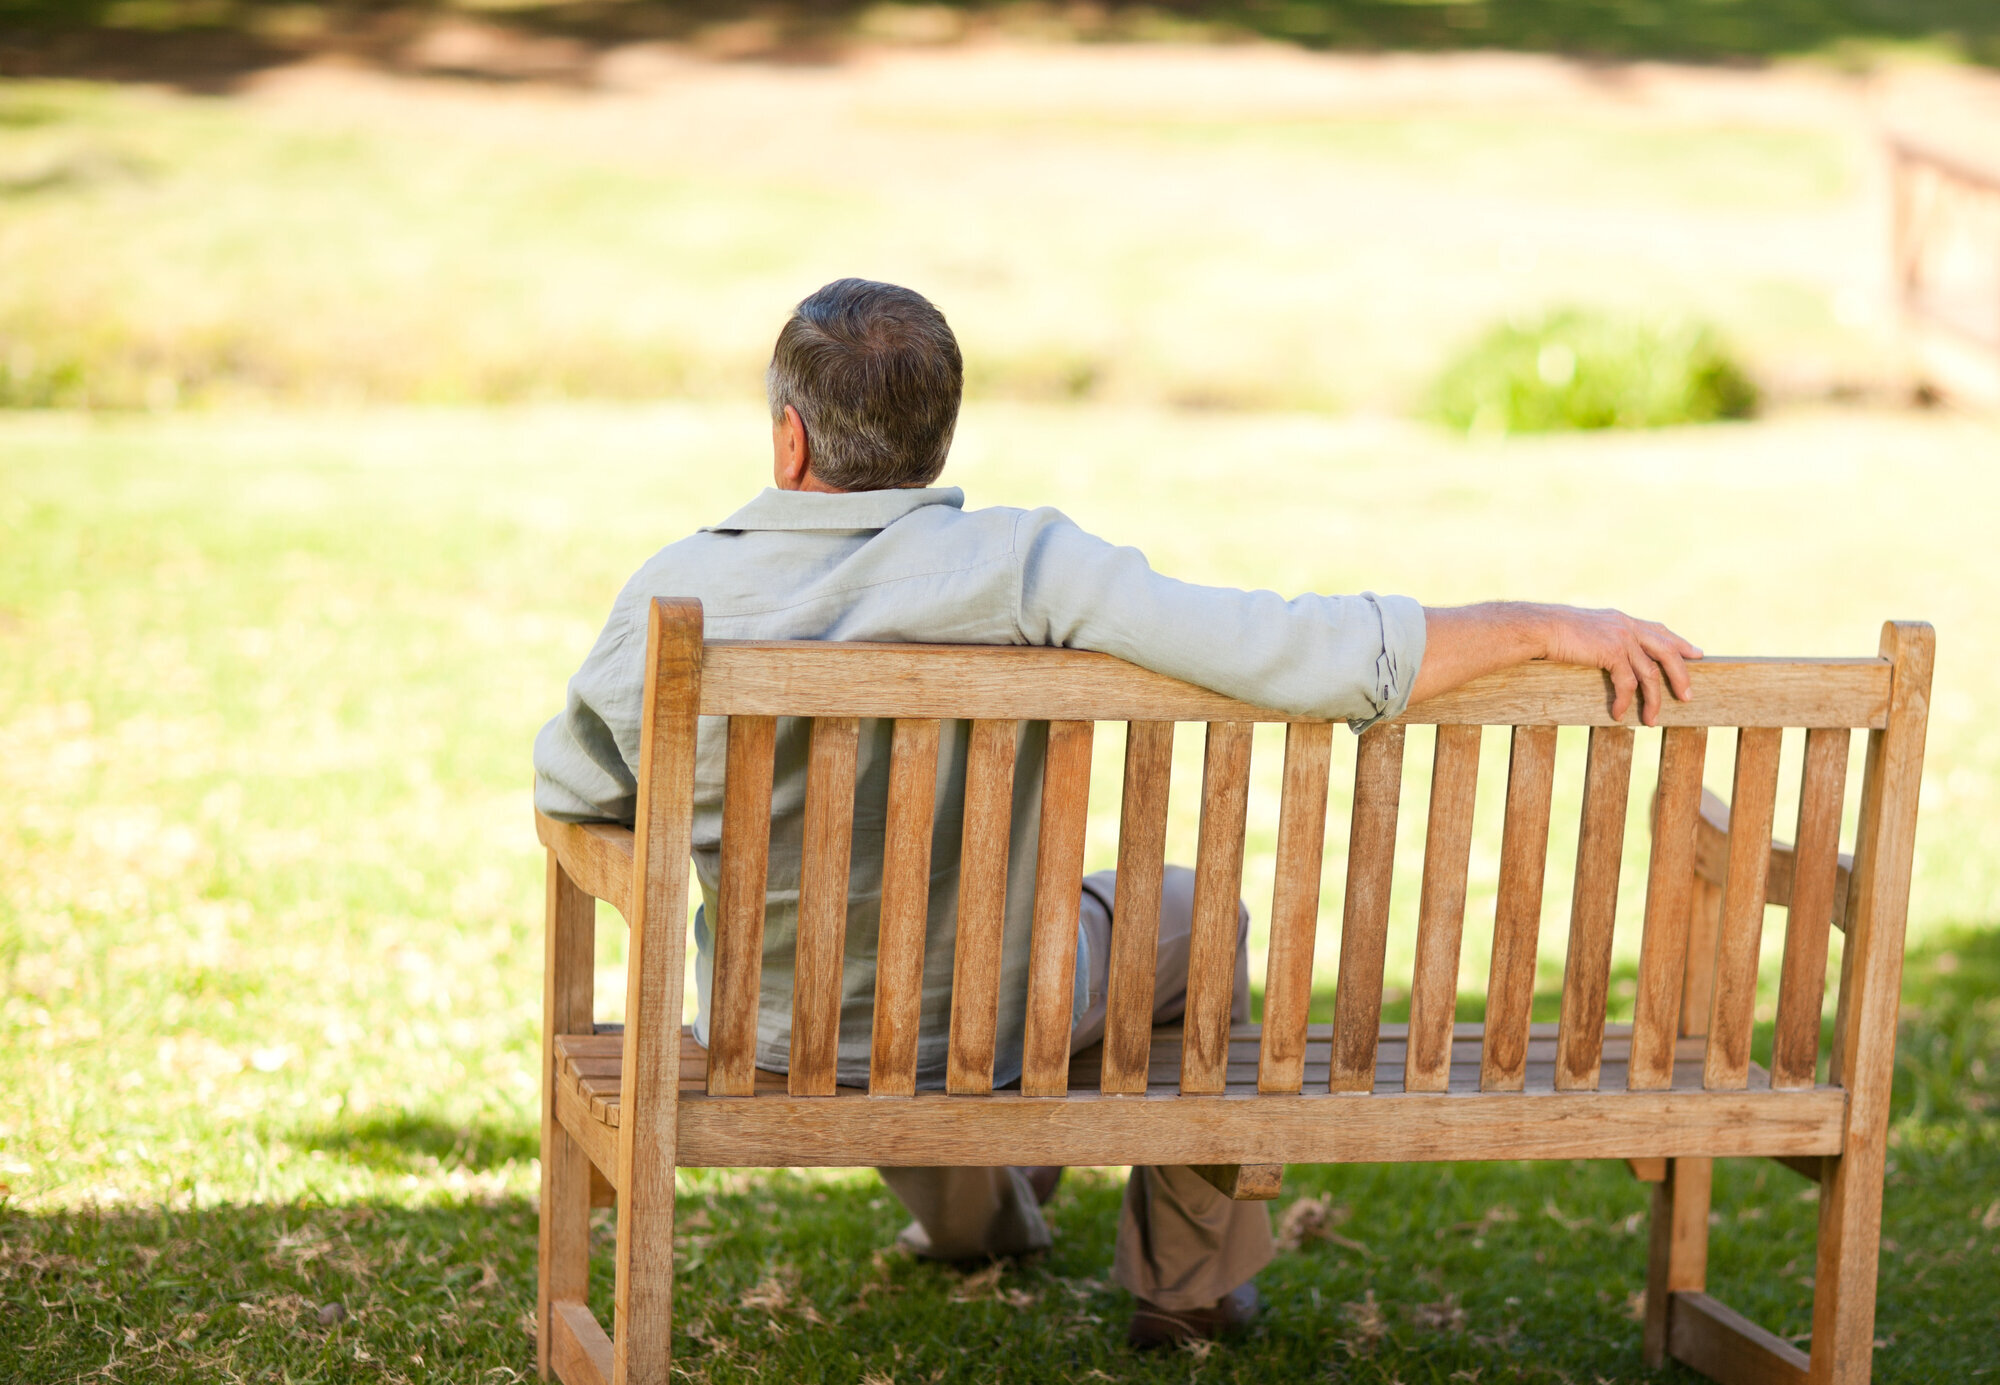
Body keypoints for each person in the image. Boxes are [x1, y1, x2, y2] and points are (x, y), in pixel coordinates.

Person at [533, 277, 1701, 1349]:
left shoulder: (671, 595)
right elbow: (1290, 650)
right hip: (1007, 1018)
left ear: (788, 439)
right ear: (937, 440)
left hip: (775, 1037)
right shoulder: (1026, 563)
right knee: (1191, 920)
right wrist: (1542, 618)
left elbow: (582, 800)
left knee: (898, 981)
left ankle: (983, 1213)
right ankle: (1185, 1283)